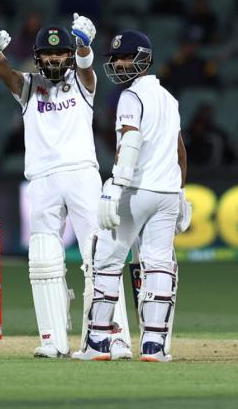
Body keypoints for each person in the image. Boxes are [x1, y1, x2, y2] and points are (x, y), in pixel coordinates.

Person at [0, 13, 132, 359]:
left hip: (81, 173)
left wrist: (83, 46)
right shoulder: (29, 85)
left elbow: (88, 70)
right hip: (42, 178)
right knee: (44, 259)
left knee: (100, 256)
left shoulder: (82, 82)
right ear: (37, 57)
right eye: (47, 55)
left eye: (60, 54)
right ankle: (53, 340)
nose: (52, 59)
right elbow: (9, 79)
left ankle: (115, 337)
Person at [73, 30, 191, 362]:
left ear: (143, 58)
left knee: (107, 260)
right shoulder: (170, 99)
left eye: (125, 57)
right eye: (116, 59)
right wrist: (180, 193)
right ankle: (155, 346)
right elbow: (180, 153)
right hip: (167, 192)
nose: (119, 64)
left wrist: (115, 186)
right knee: (158, 264)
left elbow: (130, 143)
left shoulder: (131, 96)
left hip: (136, 190)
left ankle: (98, 341)